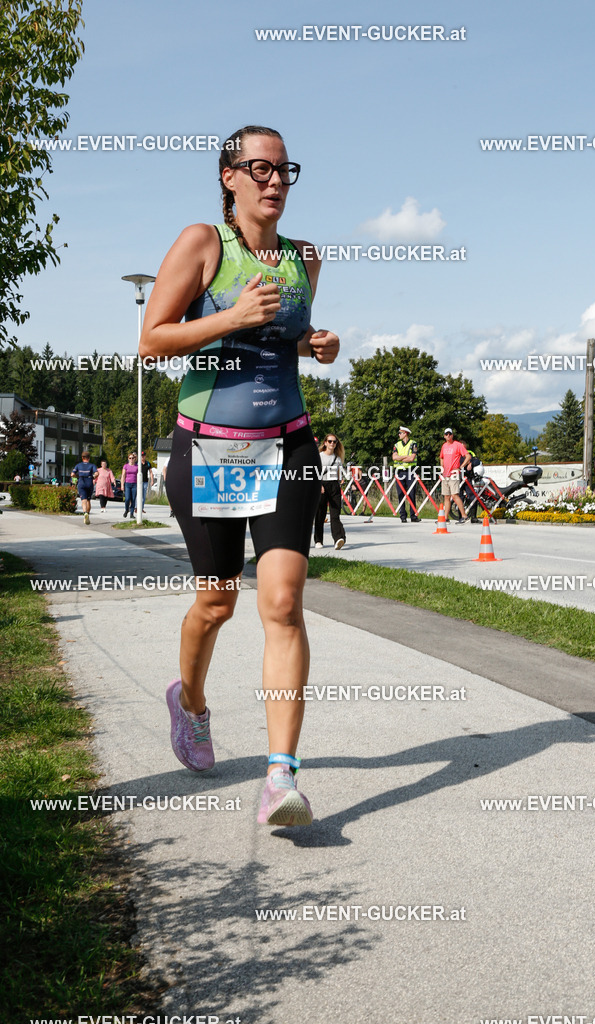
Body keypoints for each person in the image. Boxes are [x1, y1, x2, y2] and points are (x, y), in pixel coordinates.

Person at [139, 124, 339, 825]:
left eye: (285, 170)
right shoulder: (202, 244)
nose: (274, 181)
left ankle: (280, 777)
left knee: (281, 604)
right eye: (259, 168)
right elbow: (152, 340)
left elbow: (289, 341)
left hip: (286, 446)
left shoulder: (305, 257)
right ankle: (189, 702)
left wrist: (317, 344)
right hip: (210, 450)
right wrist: (227, 319)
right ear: (229, 177)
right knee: (216, 604)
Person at [314, 434, 346, 550]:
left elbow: (339, 471)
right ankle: (318, 540)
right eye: (330, 441)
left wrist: (340, 478)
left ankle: (339, 539)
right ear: (325, 443)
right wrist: (319, 485)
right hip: (322, 485)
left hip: (334, 486)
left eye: (334, 442)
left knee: (335, 514)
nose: (332, 443)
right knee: (320, 514)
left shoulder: (337, 458)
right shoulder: (319, 456)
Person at [439, 428, 471, 523]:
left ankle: (464, 516)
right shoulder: (444, 446)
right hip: (446, 474)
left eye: (450, 434)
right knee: (446, 496)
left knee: (455, 495)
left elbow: (468, 456)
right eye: (446, 434)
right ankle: (445, 518)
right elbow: (441, 457)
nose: (448, 435)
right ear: (444, 436)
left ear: (452, 435)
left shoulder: (457, 445)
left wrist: (461, 467)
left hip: (454, 473)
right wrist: (442, 468)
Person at [392, 426, 420, 522]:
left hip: (410, 471)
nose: (398, 435)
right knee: (401, 494)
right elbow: (394, 457)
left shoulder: (413, 443)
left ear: (405, 433)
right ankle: (403, 516)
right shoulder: (397, 444)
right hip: (399, 471)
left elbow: (412, 458)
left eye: (400, 433)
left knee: (411, 494)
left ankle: (413, 516)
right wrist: (404, 457)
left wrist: (400, 457)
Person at [71, 450, 96, 524]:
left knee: (83, 500)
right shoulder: (92, 465)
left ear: (82, 458)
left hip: (81, 481)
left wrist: (77, 476)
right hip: (89, 482)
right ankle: (87, 514)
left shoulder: (78, 465)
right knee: (88, 500)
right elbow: (97, 473)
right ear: (89, 458)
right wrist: (93, 477)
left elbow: (72, 474)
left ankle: (85, 512)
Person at [121, 453, 138, 518]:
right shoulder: (126, 466)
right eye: (130, 458)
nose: (131, 459)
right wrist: (122, 485)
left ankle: (131, 513)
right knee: (127, 498)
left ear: (135, 459)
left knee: (133, 499)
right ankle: (126, 509)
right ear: (128, 459)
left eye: (132, 458)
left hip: (135, 484)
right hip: (127, 483)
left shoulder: (137, 466)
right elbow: (123, 475)